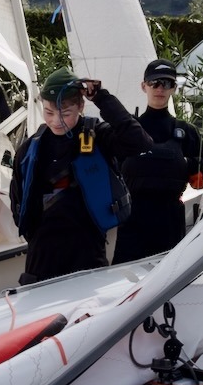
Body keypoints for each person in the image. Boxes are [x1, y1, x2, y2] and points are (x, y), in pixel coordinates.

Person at [10, 68, 151, 285]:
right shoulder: (30, 149)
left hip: (87, 252)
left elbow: (139, 142)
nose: (56, 121)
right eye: (49, 112)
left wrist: (102, 98)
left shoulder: (98, 136)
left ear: (81, 106)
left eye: (65, 113)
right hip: (41, 256)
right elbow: (17, 199)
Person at [112, 59, 203, 264]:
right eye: (154, 83)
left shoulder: (187, 133)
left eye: (166, 83)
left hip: (170, 225)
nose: (160, 88)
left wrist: (192, 167)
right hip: (131, 225)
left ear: (174, 88)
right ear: (143, 86)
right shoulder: (127, 130)